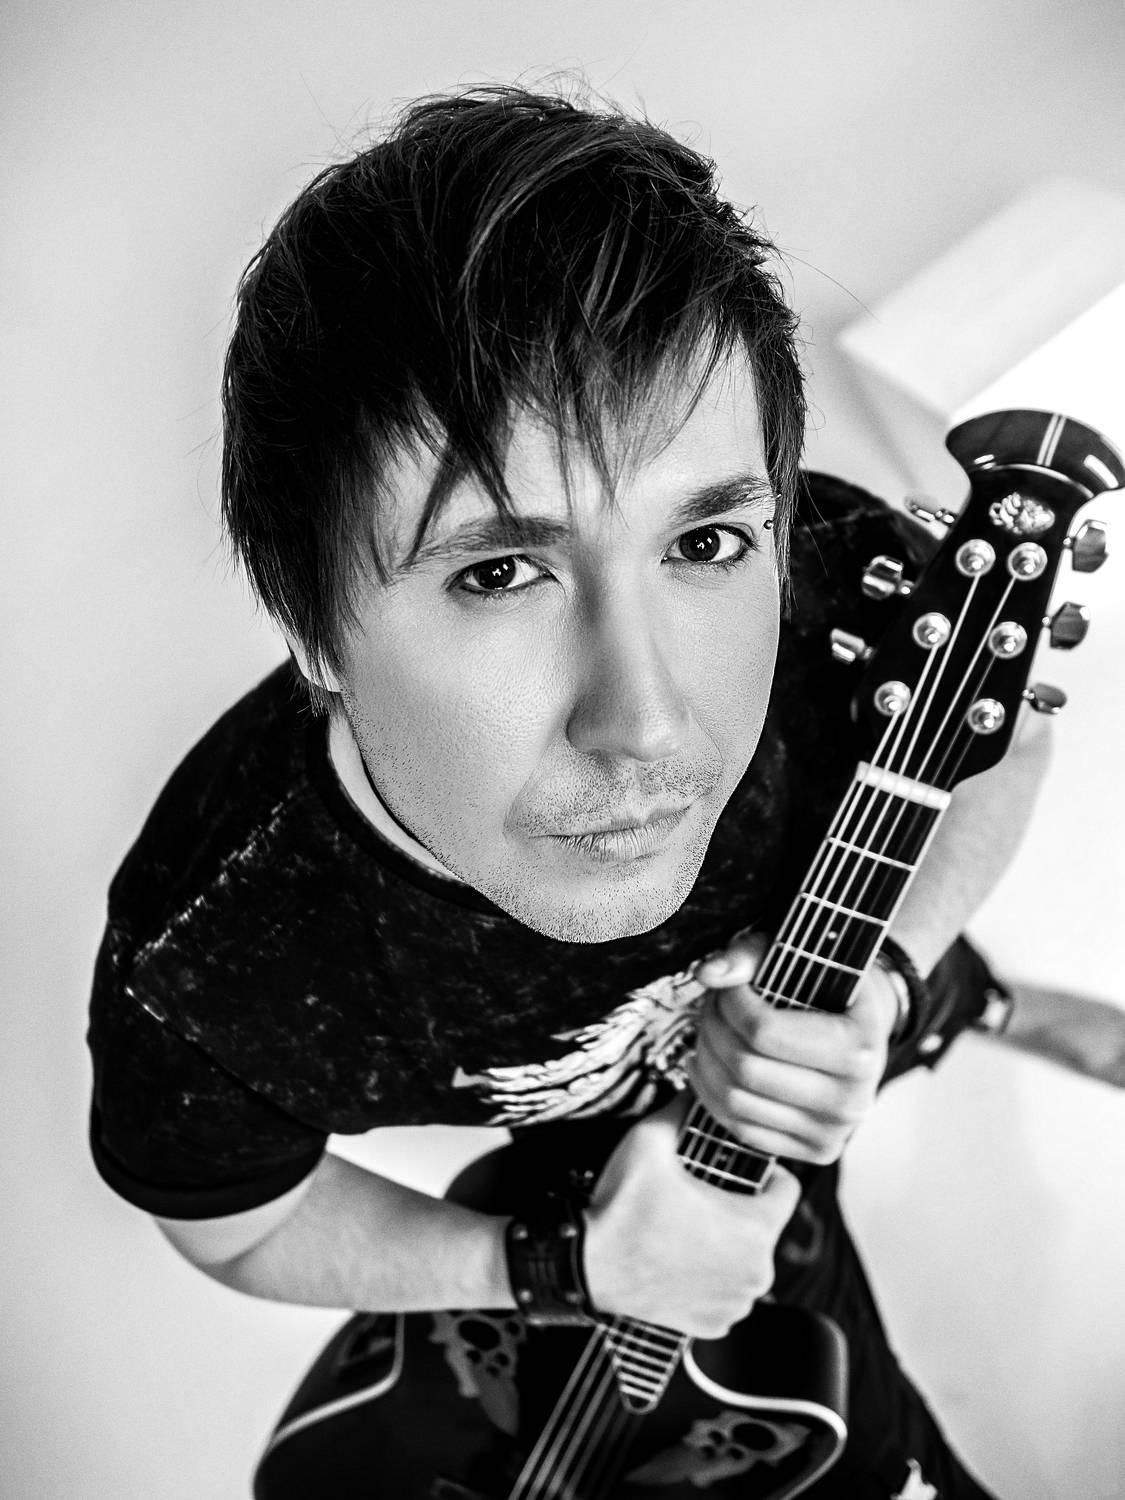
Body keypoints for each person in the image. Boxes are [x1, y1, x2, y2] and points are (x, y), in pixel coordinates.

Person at [86, 85, 1124, 1500]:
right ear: (316, 635)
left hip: (785, 993)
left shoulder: (847, 587)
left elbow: (998, 745)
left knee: (855, 1000)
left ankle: (985, 1006)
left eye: (703, 543)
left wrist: (886, 977)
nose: (646, 726)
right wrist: (557, 1266)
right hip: (571, 1184)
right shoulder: (213, 958)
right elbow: (237, 1221)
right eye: (499, 571)